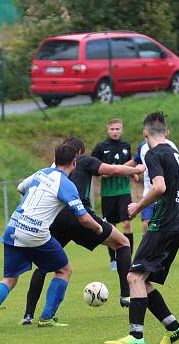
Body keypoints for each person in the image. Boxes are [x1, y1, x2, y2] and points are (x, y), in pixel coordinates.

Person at [0, 143, 103, 333]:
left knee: (9, 278)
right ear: (74, 162)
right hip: (35, 233)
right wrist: (98, 227)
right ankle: (47, 317)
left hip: (14, 227)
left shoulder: (41, 173)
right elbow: (82, 217)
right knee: (64, 270)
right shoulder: (67, 184)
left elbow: (20, 188)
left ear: (55, 159)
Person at [21, 136, 146, 324]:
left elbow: (25, 188)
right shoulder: (85, 160)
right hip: (81, 217)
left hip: (57, 219)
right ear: (78, 154)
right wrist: (136, 169)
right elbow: (112, 169)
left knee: (43, 266)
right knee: (122, 243)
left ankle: (28, 315)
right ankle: (126, 296)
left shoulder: (51, 168)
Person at [104, 112, 179, 344]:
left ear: (145, 133)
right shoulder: (176, 156)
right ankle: (174, 328)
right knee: (142, 281)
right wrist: (176, 216)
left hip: (163, 224)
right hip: (177, 225)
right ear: (166, 133)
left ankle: (136, 336)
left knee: (133, 277)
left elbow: (159, 187)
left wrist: (137, 207)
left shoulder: (153, 154)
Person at [129, 137, 179, 264]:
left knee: (169, 224)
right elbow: (135, 161)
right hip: (149, 193)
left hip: (167, 195)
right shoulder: (143, 147)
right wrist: (129, 170)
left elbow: (174, 171)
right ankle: (146, 256)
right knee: (146, 223)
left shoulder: (171, 147)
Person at [91, 119, 135, 270]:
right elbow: (93, 167)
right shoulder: (101, 147)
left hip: (124, 191)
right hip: (108, 193)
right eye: (112, 129)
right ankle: (113, 259)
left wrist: (132, 174)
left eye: (117, 129)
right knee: (111, 227)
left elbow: (131, 163)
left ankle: (129, 258)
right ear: (107, 130)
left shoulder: (126, 146)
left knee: (127, 223)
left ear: (121, 130)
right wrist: (104, 173)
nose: (115, 131)